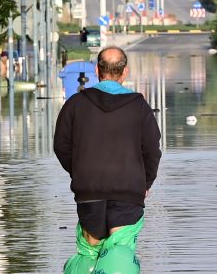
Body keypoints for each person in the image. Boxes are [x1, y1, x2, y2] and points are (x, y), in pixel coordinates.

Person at [54, 46, 161, 246]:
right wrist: (145, 182)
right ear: (125, 71)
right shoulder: (139, 106)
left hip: (89, 189)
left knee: (91, 252)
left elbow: (61, 145)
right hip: (128, 189)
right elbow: (152, 150)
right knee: (120, 250)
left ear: (96, 71)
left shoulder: (76, 104)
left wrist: (80, 171)